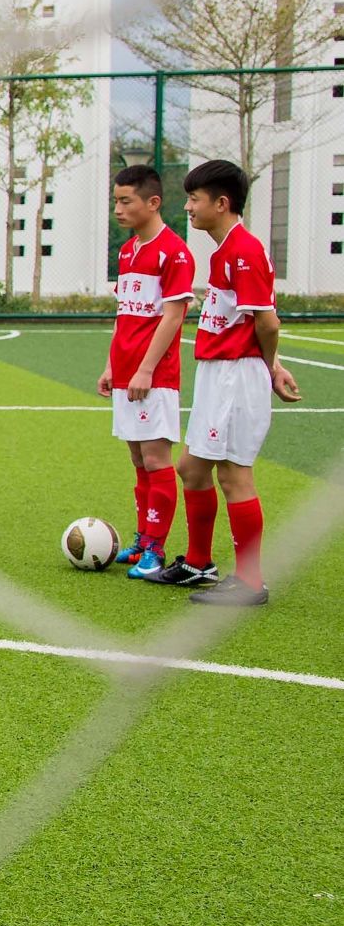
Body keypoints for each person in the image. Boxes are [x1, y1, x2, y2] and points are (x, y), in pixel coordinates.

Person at [141, 159, 303, 604]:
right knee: (192, 469)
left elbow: (268, 323)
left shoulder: (244, 251)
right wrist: (271, 364)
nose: (188, 207)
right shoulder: (225, 251)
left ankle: (250, 581)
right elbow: (252, 320)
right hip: (220, 373)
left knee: (234, 476)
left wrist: (269, 368)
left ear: (221, 203)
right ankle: (198, 563)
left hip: (236, 376)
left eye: (194, 199)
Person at [97, 164, 192, 578]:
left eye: (125, 201)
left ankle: (155, 547)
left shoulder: (174, 252)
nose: (117, 209)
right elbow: (125, 315)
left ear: (152, 202)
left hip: (154, 375)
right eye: (115, 201)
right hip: (126, 371)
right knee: (138, 457)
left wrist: (146, 369)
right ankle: (142, 539)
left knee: (156, 459)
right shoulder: (128, 250)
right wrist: (111, 365)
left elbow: (173, 317)